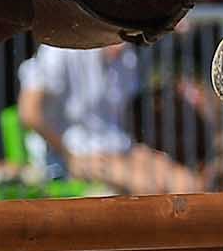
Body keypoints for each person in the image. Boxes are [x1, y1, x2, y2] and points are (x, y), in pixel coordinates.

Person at [15, 42, 204, 196]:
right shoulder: (60, 49)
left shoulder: (127, 55)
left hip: (120, 149)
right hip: (73, 154)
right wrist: (69, 156)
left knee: (190, 184)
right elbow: (29, 112)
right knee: (148, 187)